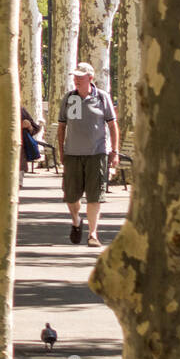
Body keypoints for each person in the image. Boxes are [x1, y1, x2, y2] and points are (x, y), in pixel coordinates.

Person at [57, 62, 119, 247]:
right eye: (75, 76)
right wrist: (61, 151)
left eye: (80, 77)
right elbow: (62, 127)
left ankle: (93, 234)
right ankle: (76, 221)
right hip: (73, 154)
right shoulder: (69, 98)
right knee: (71, 196)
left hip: (97, 153)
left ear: (90, 78)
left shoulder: (102, 97)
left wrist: (114, 152)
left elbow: (112, 125)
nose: (76, 80)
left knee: (94, 196)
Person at [0, 101, 40, 175]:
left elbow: (34, 130)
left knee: (15, 184)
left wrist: (29, 126)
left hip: (18, 159)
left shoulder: (21, 111)